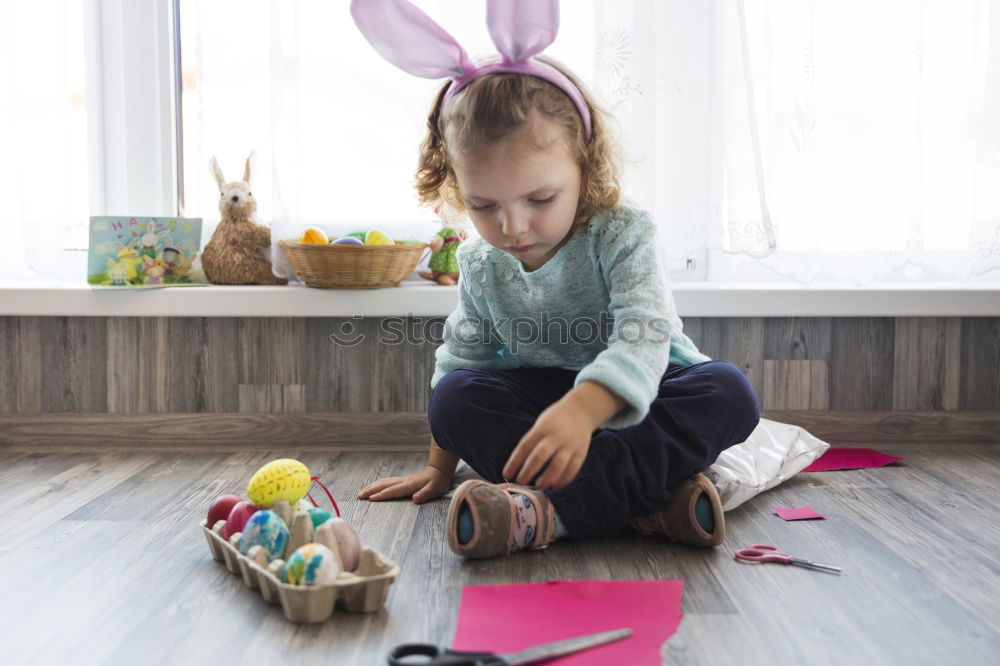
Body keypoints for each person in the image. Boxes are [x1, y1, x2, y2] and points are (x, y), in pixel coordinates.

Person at [350, 0, 761, 559]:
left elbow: (645, 335)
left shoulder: (623, 232)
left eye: (539, 199)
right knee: (454, 399)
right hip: (547, 407)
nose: (512, 226)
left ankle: (553, 512)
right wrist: (437, 467)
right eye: (483, 205)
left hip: (644, 392)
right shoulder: (480, 263)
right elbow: (463, 360)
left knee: (728, 392)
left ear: (585, 167)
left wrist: (585, 410)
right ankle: (649, 501)